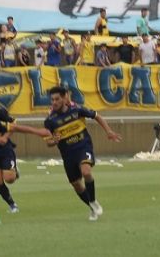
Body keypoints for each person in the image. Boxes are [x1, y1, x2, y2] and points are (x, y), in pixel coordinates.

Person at [43, 86, 122, 221]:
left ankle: (92, 202)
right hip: (68, 155)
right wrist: (53, 141)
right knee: (77, 185)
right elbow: (48, 142)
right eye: (52, 100)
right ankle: (92, 206)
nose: (54, 102)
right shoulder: (50, 120)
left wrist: (108, 131)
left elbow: (97, 116)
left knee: (86, 172)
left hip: (83, 147)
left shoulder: (77, 110)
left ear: (64, 98)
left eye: (57, 99)